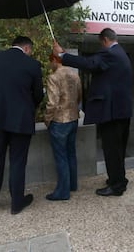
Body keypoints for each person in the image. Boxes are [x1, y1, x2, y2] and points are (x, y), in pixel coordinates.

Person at [53, 28, 132, 197]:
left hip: (112, 113)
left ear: (104, 40)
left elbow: (89, 63)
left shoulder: (111, 54)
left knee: (112, 149)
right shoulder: (120, 53)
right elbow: (94, 62)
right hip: (121, 112)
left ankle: (116, 186)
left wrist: (62, 56)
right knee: (118, 149)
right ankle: (119, 180)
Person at [0, 36, 44, 215]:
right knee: (17, 162)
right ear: (27, 48)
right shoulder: (32, 65)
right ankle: (16, 203)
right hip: (21, 121)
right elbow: (38, 95)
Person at [44, 53, 82, 201]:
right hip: (73, 119)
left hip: (59, 121)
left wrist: (47, 120)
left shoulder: (53, 77)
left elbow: (52, 103)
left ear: (54, 60)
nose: (50, 65)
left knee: (61, 157)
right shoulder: (74, 75)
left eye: (50, 62)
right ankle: (72, 184)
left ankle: (62, 192)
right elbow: (79, 97)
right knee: (71, 153)